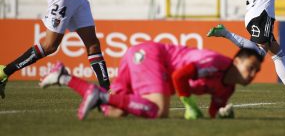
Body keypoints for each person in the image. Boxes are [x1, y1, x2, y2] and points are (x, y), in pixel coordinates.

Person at [39, 41, 264, 120]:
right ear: (236, 62)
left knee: (115, 113)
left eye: (256, 71)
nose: (253, 74)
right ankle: (100, 94)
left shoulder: (229, 88)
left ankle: (64, 77)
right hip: (150, 56)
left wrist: (223, 114)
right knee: (158, 110)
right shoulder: (214, 62)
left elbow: (215, 109)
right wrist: (189, 105)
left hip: (143, 60)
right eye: (250, 67)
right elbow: (179, 76)